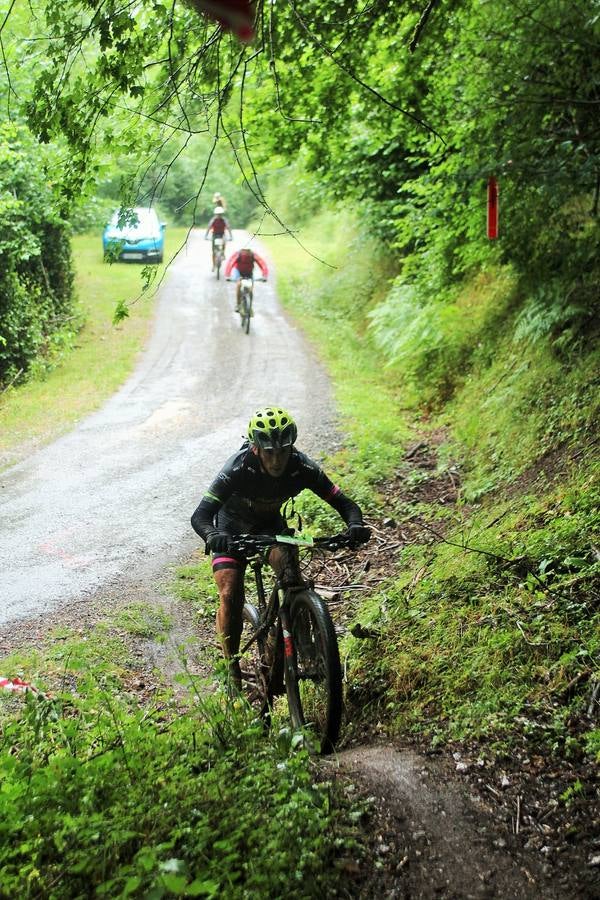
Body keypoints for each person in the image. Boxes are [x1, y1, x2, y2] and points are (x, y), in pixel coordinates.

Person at [190, 406, 371, 688]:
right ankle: (231, 667)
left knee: (291, 574)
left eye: (283, 452)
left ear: (291, 448)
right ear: (255, 449)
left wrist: (355, 525)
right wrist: (213, 535)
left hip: (268, 526)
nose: (277, 461)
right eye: (269, 452)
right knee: (230, 592)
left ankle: (306, 645)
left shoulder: (301, 466)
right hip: (230, 528)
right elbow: (200, 516)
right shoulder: (238, 468)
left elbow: (345, 504)